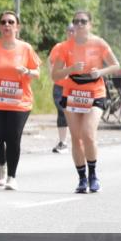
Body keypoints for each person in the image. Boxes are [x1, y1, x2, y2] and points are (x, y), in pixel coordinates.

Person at [50, 10, 120, 193]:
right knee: (76, 138)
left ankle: (93, 175)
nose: (79, 24)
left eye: (83, 21)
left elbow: (116, 65)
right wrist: (71, 68)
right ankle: (82, 179)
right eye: (76, 21)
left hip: (95, 93)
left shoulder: (99, 43)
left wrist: (100, 72)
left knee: (88, 134)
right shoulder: (65, 47)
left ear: (90, 24)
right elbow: (55, 74)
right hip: (72, 93)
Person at [0, 10, 40, 191]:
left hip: (19, 102)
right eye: (4, 22)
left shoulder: (25, 48)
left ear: (17, 27)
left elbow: (37, 72)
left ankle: (12, 176)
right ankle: (2, 164)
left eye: (11, 22)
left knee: (13, 137)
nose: (7, 25)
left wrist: (27, 72)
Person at [48, 23, 76, 154]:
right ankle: (63, 142)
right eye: (69, 30)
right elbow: (50, 61)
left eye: (73, 31)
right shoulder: (59, 47)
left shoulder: (81, 48)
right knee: (62, 111)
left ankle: (78, 140)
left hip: (75, 87)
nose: (71, 33)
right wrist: (51, 74)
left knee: (75, 113)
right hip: (59, 85)